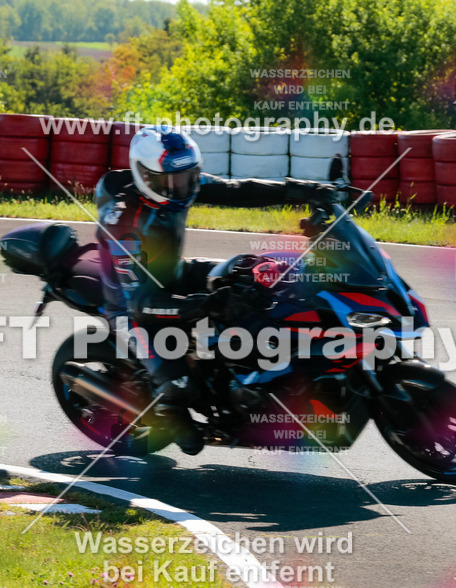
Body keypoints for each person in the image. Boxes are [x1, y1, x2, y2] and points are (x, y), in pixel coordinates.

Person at [94, 125, 338, 454]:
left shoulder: (181, 181)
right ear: (144, 176)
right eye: (172, 182)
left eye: (190, 178)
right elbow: (140, 304)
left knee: (254, 273)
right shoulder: (124, 226)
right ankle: (170, 414)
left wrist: (305, 190)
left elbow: (239, 190)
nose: (183, 188)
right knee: (180, 389)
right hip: (131, 308)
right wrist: (204, 303)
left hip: (174, 274)